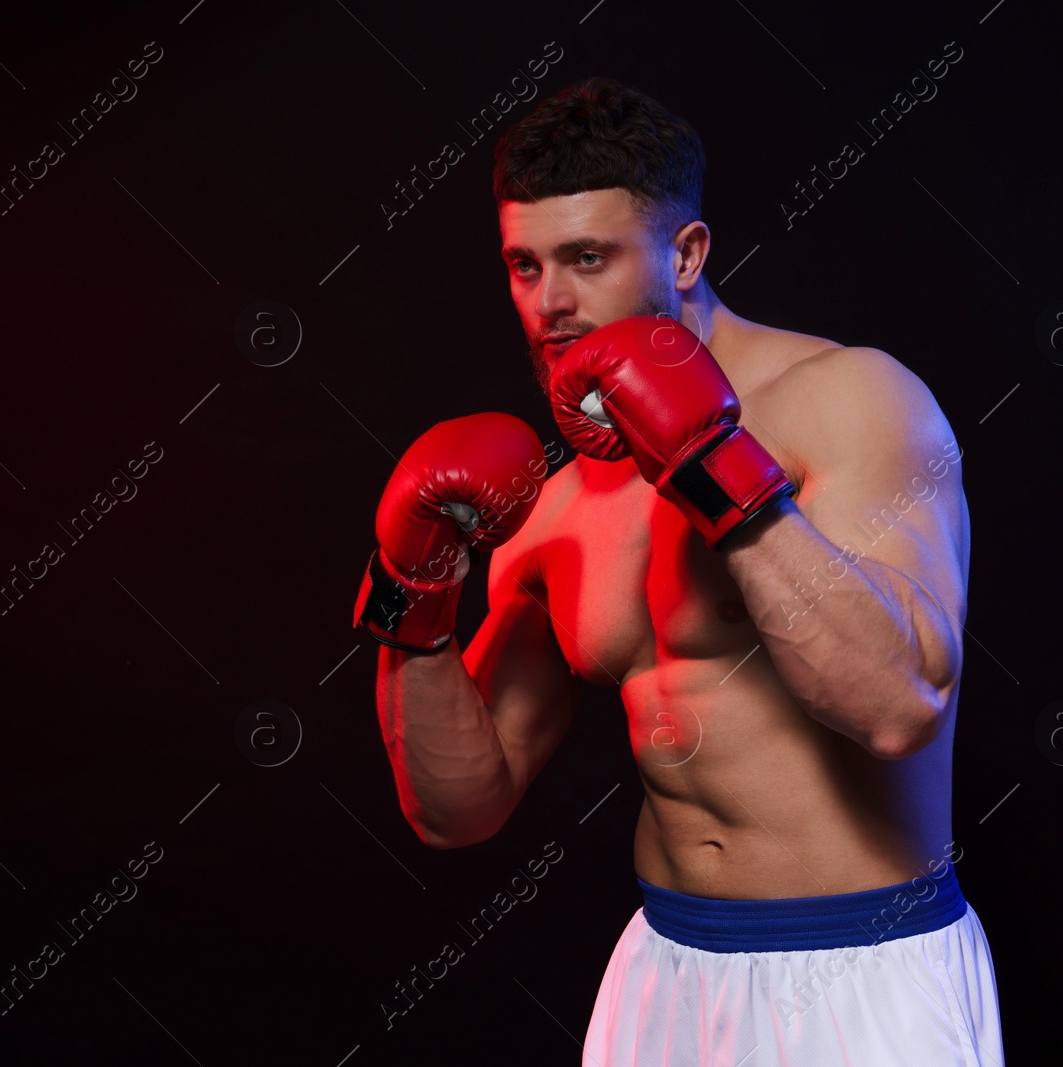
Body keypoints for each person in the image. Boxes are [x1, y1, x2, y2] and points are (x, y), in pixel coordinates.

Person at [352, 76, 1003, 1066]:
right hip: (666, 970)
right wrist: (414, 595)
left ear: (687, 252)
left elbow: (898, 702)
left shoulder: (852, 398)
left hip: (863, 971)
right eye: (524, 266)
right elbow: (458, 806)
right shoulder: (556, 502)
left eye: (586, 258)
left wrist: (708, 468)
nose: (550, 304)